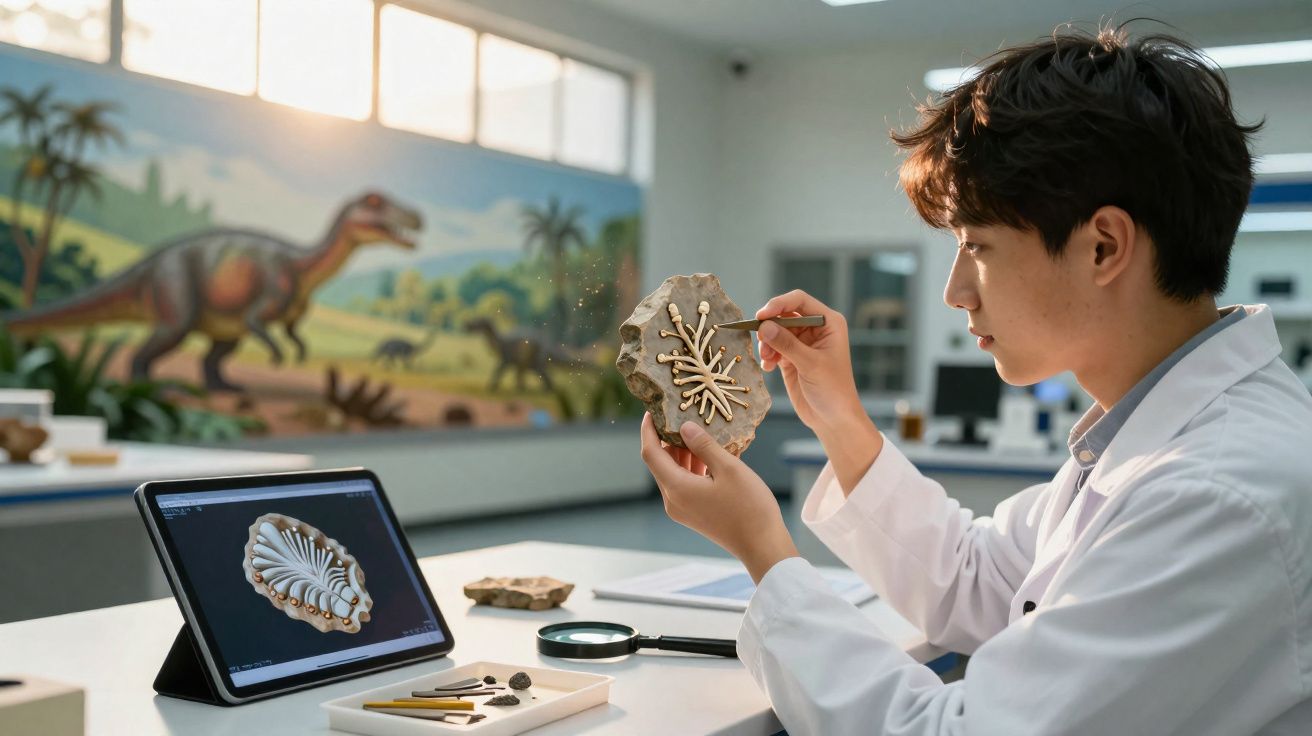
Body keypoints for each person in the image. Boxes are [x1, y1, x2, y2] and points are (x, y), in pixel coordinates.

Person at [639, 23, 1312, 735]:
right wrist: (840, 417)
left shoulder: (1217, 496)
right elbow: (978, 579)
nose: (955, 291)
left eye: (977, 247)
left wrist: (765, 553)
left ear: (1104, 246)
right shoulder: (1152, 440)